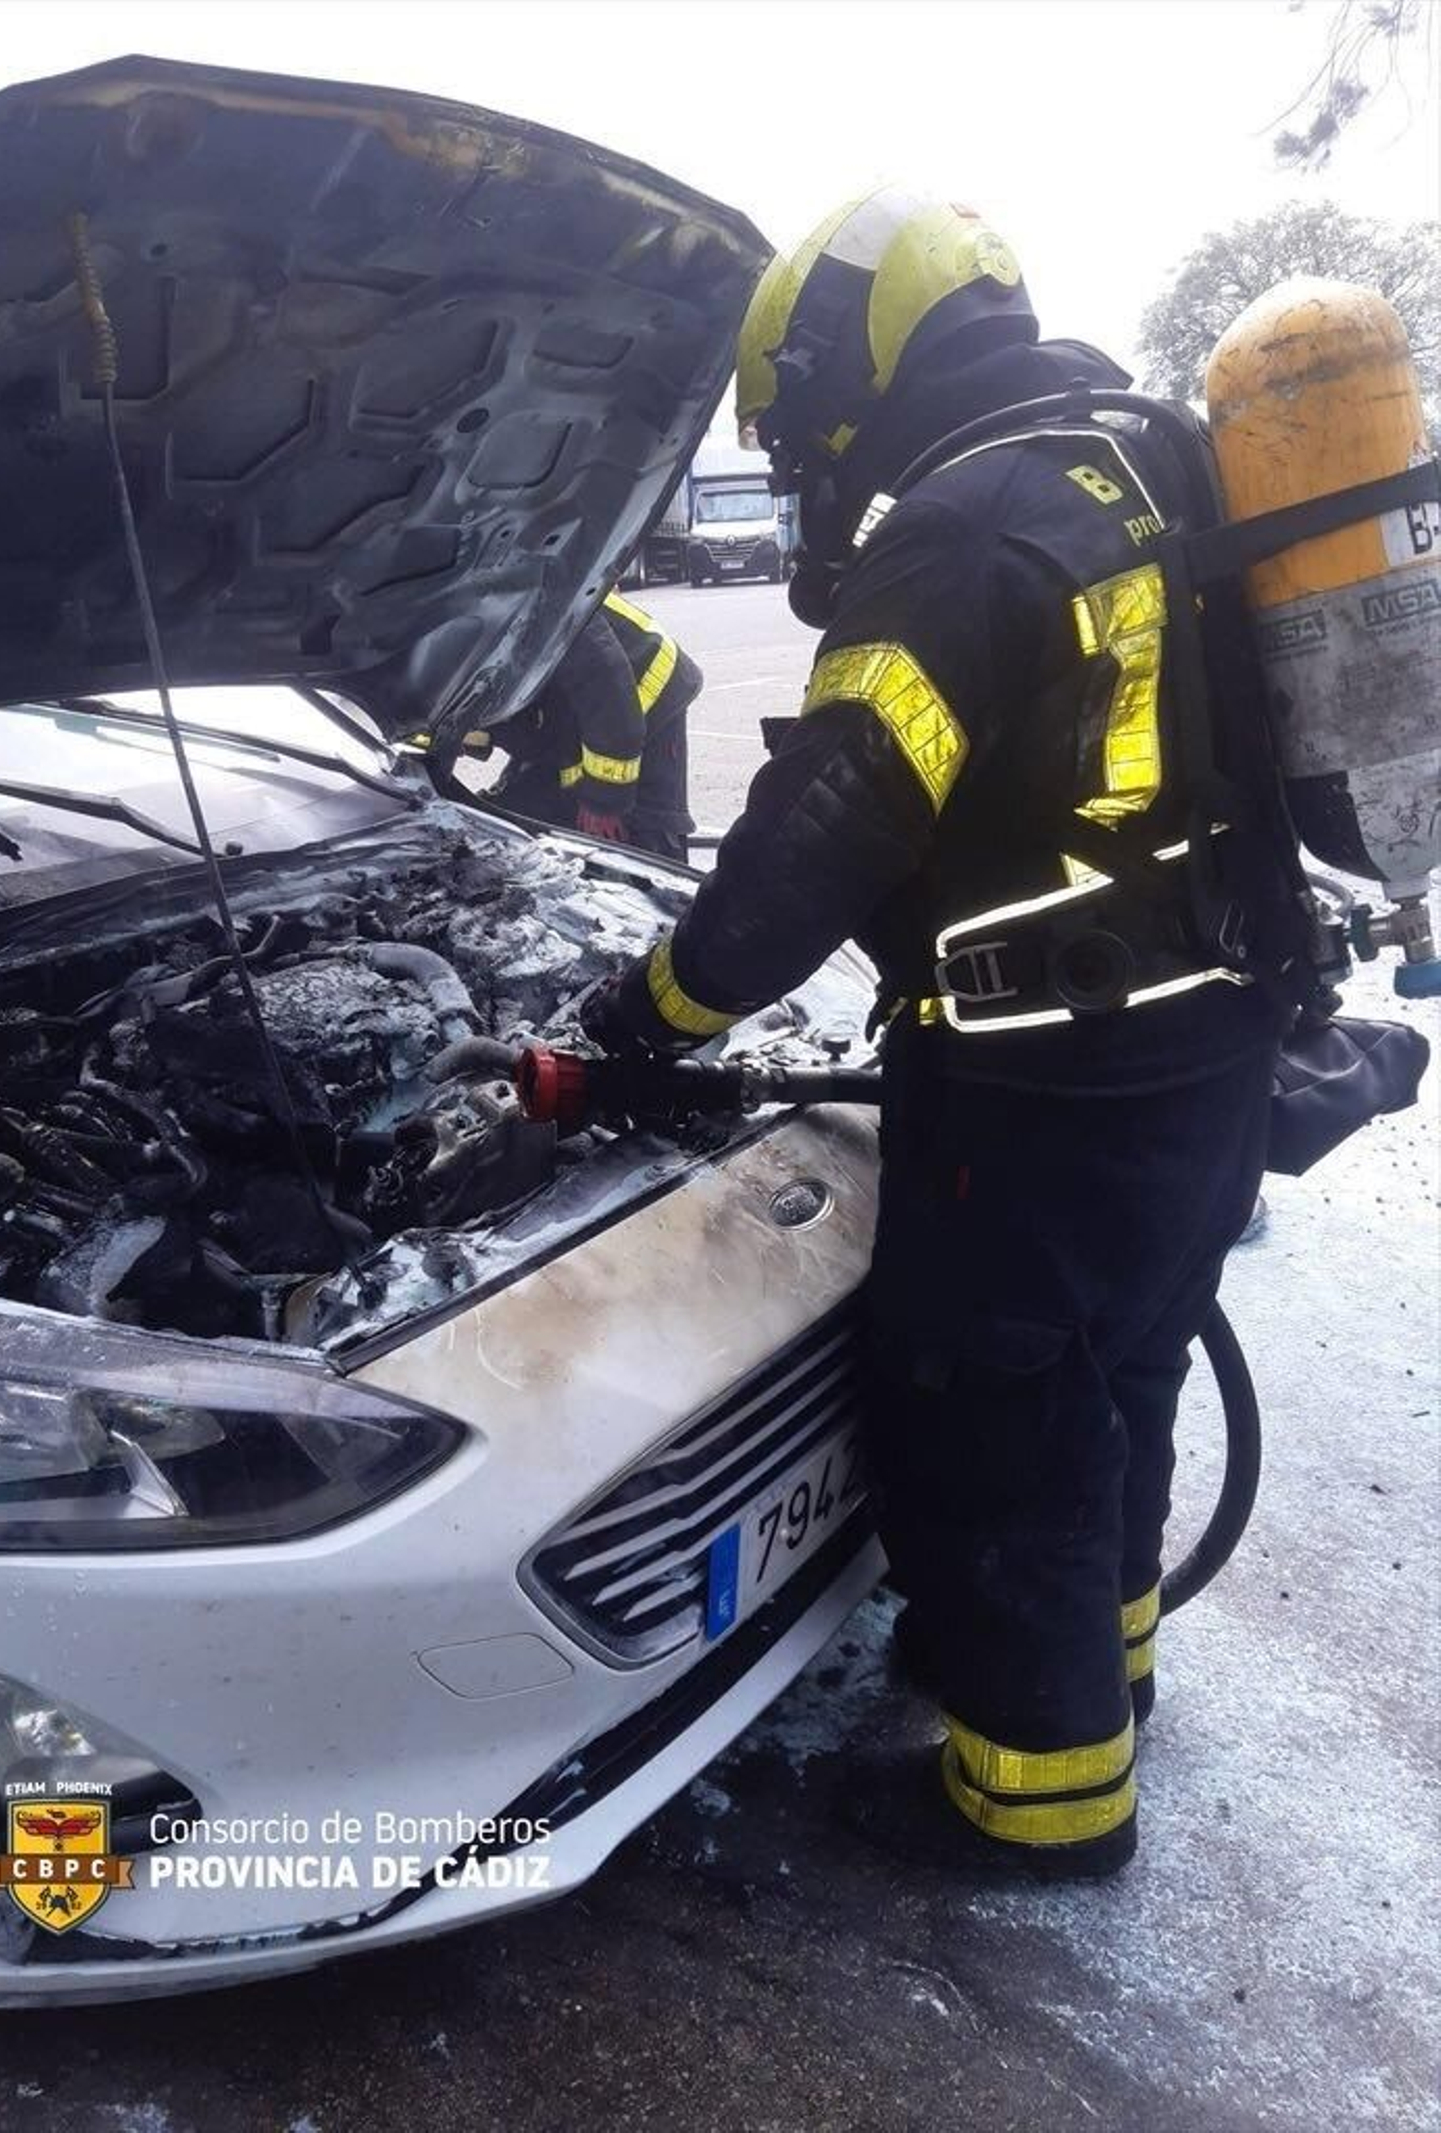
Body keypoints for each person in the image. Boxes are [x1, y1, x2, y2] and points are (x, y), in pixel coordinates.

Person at [583, 190, 1287, 1879]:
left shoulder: (967, 523)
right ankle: (1082, 1678)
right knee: (1115, 1377)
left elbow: (830, 827)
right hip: (1211, 1042)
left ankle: (1034, 1805)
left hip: (1048, 1077)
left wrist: (652, 1012)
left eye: (798, 407)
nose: (808, 448)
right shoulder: (1149, 450)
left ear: (849, 354)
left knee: (994, 1425)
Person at [489, 592, 702, 861]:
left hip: (642, 691)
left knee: (633, 835)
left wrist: (603, 803)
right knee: (536, 811)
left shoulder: (541, 601)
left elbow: (607, 691)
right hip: (564, 708)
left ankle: (656, 884)